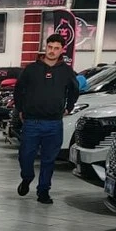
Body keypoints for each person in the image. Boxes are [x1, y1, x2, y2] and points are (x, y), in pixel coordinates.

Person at [13, 34, 79, 205]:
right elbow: (18, 90)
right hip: (31, 122)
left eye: (56, 48)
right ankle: (27, 177)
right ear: (46, 47)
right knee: (25, 156)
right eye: (50, 47)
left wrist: (69, 107)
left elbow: (74, 90)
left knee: (49, 160)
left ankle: (43, 191)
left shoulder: (66, 71)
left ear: (62, 50)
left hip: (54, 123)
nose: (52, 51)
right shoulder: (31, 69)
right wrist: (20, 109)